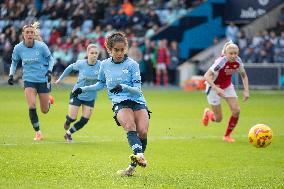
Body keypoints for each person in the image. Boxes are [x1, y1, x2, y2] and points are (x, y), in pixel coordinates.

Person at [72, 32, 151, 176]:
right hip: (120, 102)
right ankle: (139, 154)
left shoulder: (133, 65)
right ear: (110, 49)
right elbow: (100, 84)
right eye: (116, 50)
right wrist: (82, 89)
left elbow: (138, 90)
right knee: (129, 126)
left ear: (125, 48)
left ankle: (131, 168)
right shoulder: (104, 65)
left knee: (143, 132)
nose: (120, 53)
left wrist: (123, 86)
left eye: (122, 50)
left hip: (137, 100)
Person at [8, 22, 54, 141]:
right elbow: (14, 62)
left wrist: (49, 71)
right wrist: (11, 75)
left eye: (31, 32)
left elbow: (51, 59)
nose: (29, 34)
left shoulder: (41, 46)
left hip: (43, 80)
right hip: (28, 80)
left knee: (44, 110)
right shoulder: (18, 48)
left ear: (34, 34)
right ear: (23, 34)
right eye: (27, 32)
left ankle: (48, 101)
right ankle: (38, 132)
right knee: (32, 105)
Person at [202, 41, 249, 142]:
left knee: (236, 111)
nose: (233, 56)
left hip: (227, 86)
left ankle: (227, 136)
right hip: (213, 87)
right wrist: (216, 88)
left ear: (238, 53)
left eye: (235, 53)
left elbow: (244, 76)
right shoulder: (221, 61)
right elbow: (206, 76)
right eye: (230, 53)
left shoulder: (238, 61)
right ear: (226, 53)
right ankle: (208, 113)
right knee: (218, 119)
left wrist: (246, 91)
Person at [54, 44, 101, 142]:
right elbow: (69, 68)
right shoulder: (81, 64)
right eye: (92, 53)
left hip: (90, 96)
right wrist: (60, 79)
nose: (94, 55)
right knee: (72, 118)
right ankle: (68, 121)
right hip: (77, 94)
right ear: (87, 54)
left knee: (85, 120)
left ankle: (68, 133)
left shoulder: (101, 65)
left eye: (96, 53)